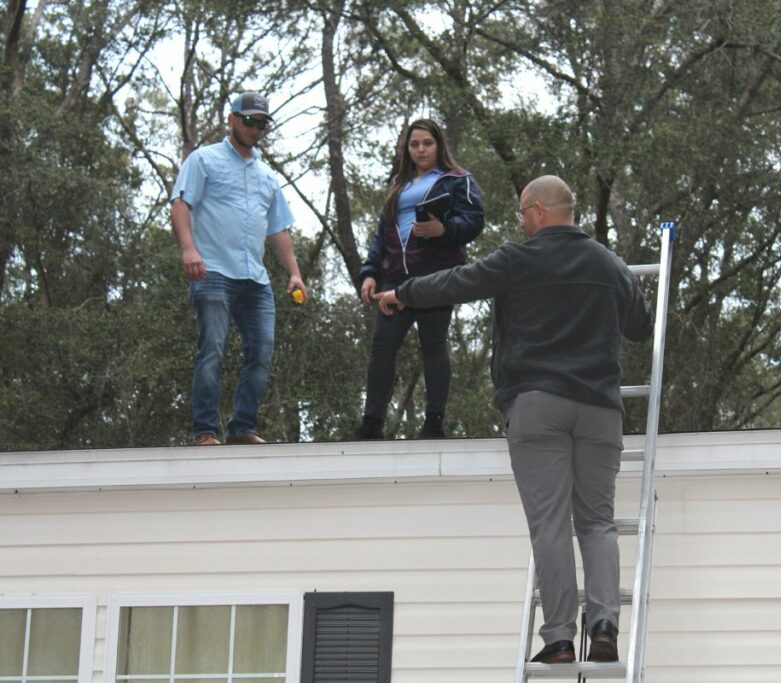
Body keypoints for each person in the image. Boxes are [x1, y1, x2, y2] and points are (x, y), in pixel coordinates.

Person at [375, 175, 653, 663]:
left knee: (549, 524)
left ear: (541, 212)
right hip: (600, 410)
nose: (521, 222)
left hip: (537, 404)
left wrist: (404, 292)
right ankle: (605, 627)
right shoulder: (609, 264)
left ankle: (562, 639)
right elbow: (640, 328)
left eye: (524, 212)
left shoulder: (518, 259)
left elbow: (456, 283)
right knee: (597, 522)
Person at [170, 91, 308, 446]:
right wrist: (188, 249)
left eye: (262, 123)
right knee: (213, 347)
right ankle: (205, 431)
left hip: (255, 279)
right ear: (231, 119)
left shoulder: (266, 177)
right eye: (249, 121)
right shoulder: (204, 160)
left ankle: (242, 428)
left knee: (262, 350)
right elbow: (181, 203)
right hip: (213, 270)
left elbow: (278, 229)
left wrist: (294, 272)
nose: (255, 128)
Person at [353, 119, 485, 440]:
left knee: (434, 346)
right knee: (382, 347)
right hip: (394, 279)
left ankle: (434, 423)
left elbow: (474, 220)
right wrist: (370, 273)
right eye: (414, 144)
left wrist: (443, 230)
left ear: (439, 145)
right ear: (406, 149)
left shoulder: (457, 179)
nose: (421, 150)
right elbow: (380, 234)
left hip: (436, 275)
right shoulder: (397, 184)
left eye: (427, 143)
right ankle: (372, 424)